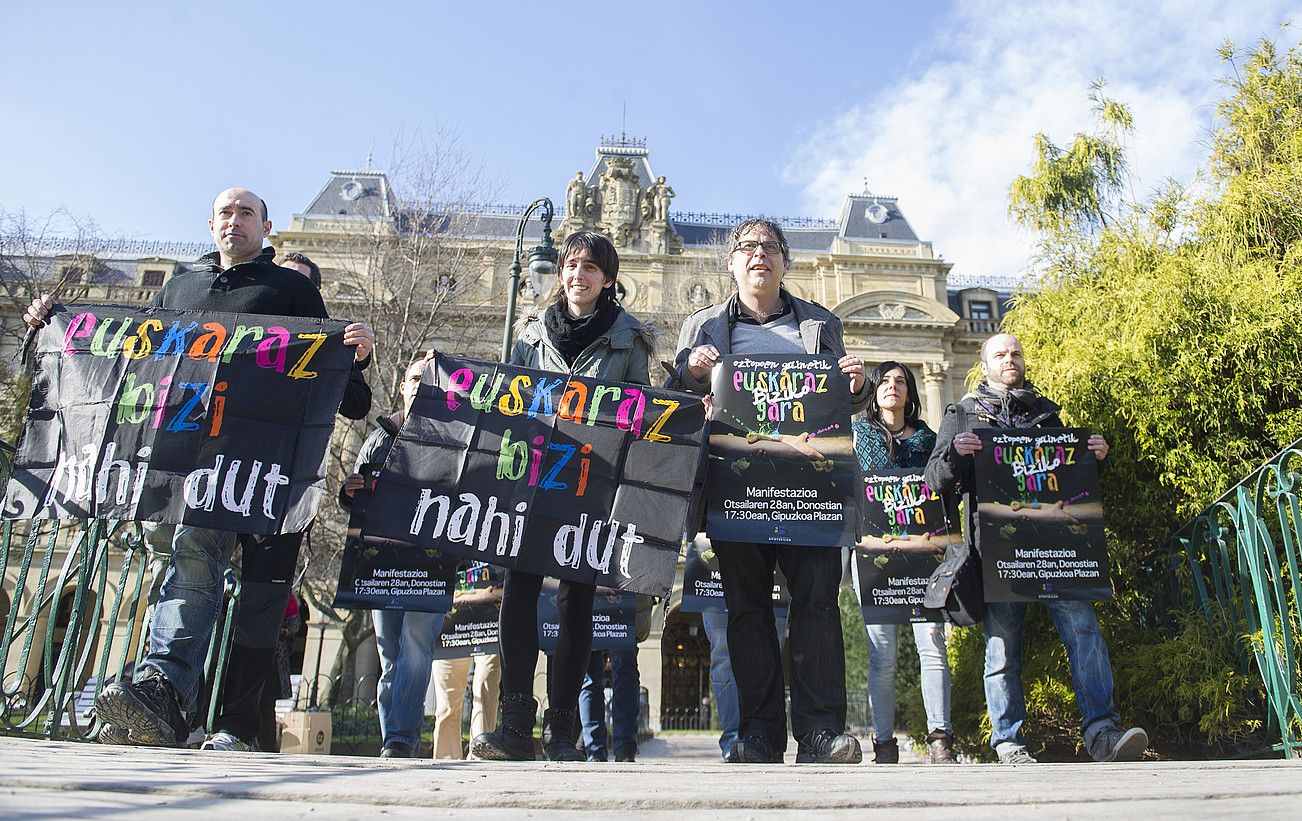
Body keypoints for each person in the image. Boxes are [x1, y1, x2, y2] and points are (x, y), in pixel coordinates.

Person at [24, 188, 374, 747]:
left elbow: (349, 397)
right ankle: (170, 700)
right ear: (210, 224)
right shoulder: (179, 286)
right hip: (179, 460)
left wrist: (359, 355)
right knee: (190, 570)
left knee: (214, 576)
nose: (235, 222)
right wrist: (53, 323)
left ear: (267, 228)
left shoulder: (291, 289)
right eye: (226, 213)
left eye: (247, 213)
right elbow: (125, 355)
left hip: (251, 468)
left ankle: (177, 693)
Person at [666, 218, 869, 765]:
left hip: (812, 489)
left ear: (784, 262)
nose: (759, 255)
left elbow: (841, 402)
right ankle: (757, 733)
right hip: (735, 489)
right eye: (748, 248)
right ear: (731, 263)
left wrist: (858, 385)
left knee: (817, 606)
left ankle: (821, 731)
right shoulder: (702, 326)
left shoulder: (820, 323)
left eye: (770, 248)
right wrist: (688, 375)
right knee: (747, 611)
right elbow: (676, 405)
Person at [471, 230, 653, 762]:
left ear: (608, 280)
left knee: (577, 599)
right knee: (520, 589)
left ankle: (562, 730)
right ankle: (513, 721)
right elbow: (504, 401)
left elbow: (640, 411)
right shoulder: (528, 333)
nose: (578, 275)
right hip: (528, 477)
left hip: (591, 482)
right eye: (572, 265)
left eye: (591, 268)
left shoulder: (629, 339)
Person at [924, 332, 1148, 764]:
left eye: (1015, 353)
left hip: (1057, 548)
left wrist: (1098, 456)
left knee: (1084, 633)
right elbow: (934, 478)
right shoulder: (963, 413)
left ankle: (1102, 732)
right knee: (1002, 647)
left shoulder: (1047, 414)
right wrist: (953, 452)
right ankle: (1009, 741)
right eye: (1001, 355)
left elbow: (1074, 480)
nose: (1010, 359)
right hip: (997, 551)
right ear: (984, 365)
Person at [201, 251, 372, 752]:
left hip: (281, 483)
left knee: (262, 601)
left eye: (293, 288)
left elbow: (358, 404)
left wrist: (354, 359)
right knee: (199, 588)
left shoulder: (324, 343)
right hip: (213, 472)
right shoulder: (232, 326)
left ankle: (241, 723)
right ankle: (190, 706)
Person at [339, 358, 446, 758]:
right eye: (415, 379)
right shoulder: (380, 437)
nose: (421, 385)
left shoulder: (455, 437)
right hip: (382, 562)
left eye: (429, 380)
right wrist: (350, 491)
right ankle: (394, 737)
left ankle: (401, 738)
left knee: (417, 646)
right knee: (390, 653)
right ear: (402, 386)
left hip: (431, 561)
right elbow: (356, 497)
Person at [851, 361, 955, 764]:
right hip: (874, 555)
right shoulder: (856, 435)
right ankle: (883, 741)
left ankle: (939, 735)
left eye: (901, 382)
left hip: (922, 555)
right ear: (874, 391)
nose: (893, 387)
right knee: (882, 654)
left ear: (910, 393)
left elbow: (944, 486)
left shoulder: (928, 439)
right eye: (886, 382)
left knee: (932, 645)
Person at [430, 574, 502, 760]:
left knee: (486, 683)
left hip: (490, 622)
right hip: (450, 626)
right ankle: (445, 760)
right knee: (447, 701)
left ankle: (481, 753)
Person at [577, 592, 651, 762]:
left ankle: (615, 748)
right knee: (598, 673)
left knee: (615, 671)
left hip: (624, 591)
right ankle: (602, 748)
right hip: (607, 590)